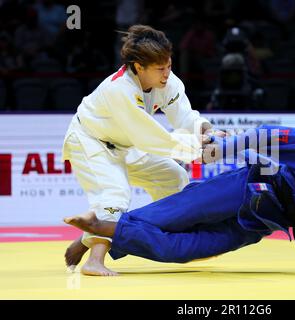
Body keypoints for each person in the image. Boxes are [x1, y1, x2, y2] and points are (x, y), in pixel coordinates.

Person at [64, 123, 295, 274]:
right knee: (168, 217)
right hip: (243, 187)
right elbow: (265, 136)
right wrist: (220, 151)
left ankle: (101, 230)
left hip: (257, 223)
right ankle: (95, 232)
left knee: (183, 252)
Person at [62, 24, 222, 276]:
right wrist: (195, 151)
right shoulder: (119, 89)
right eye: (160, 68)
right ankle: (94, 261)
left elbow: (185, 117)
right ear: (139, 67)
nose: (167, 73)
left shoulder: (168, 82)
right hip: (91, 141)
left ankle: (184, 240)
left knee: (174, 177)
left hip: (127, 143)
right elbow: (148, 137)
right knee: (115, 193)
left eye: (169, 65)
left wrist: (206, 132)